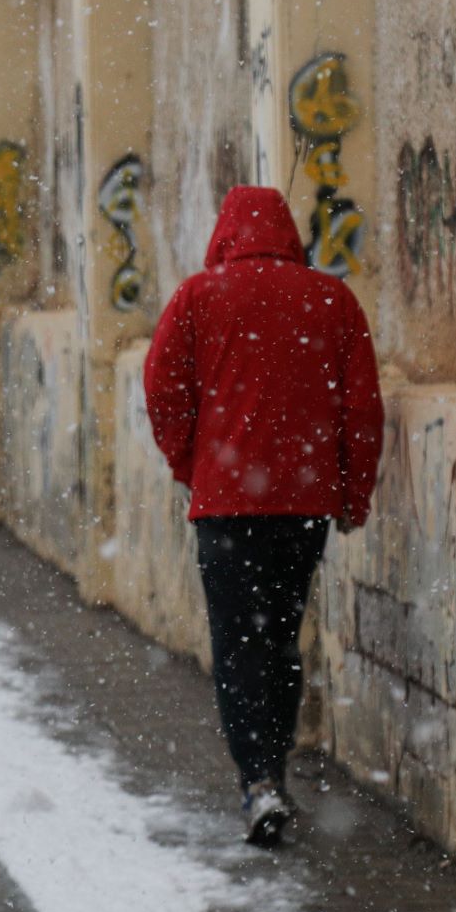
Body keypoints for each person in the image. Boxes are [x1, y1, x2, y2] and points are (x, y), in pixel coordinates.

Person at [143, 185, 383, 849]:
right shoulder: (331, 300)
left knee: (235, 642)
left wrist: (188, 461)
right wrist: (351, 495)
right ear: (288, 234)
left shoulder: (197, 297)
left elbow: (161, 388)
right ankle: (272, 768)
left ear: (225, 232)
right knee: (280, 634)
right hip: (302, 505)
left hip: (224, 505)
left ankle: (256, 779)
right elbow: (361, 410)